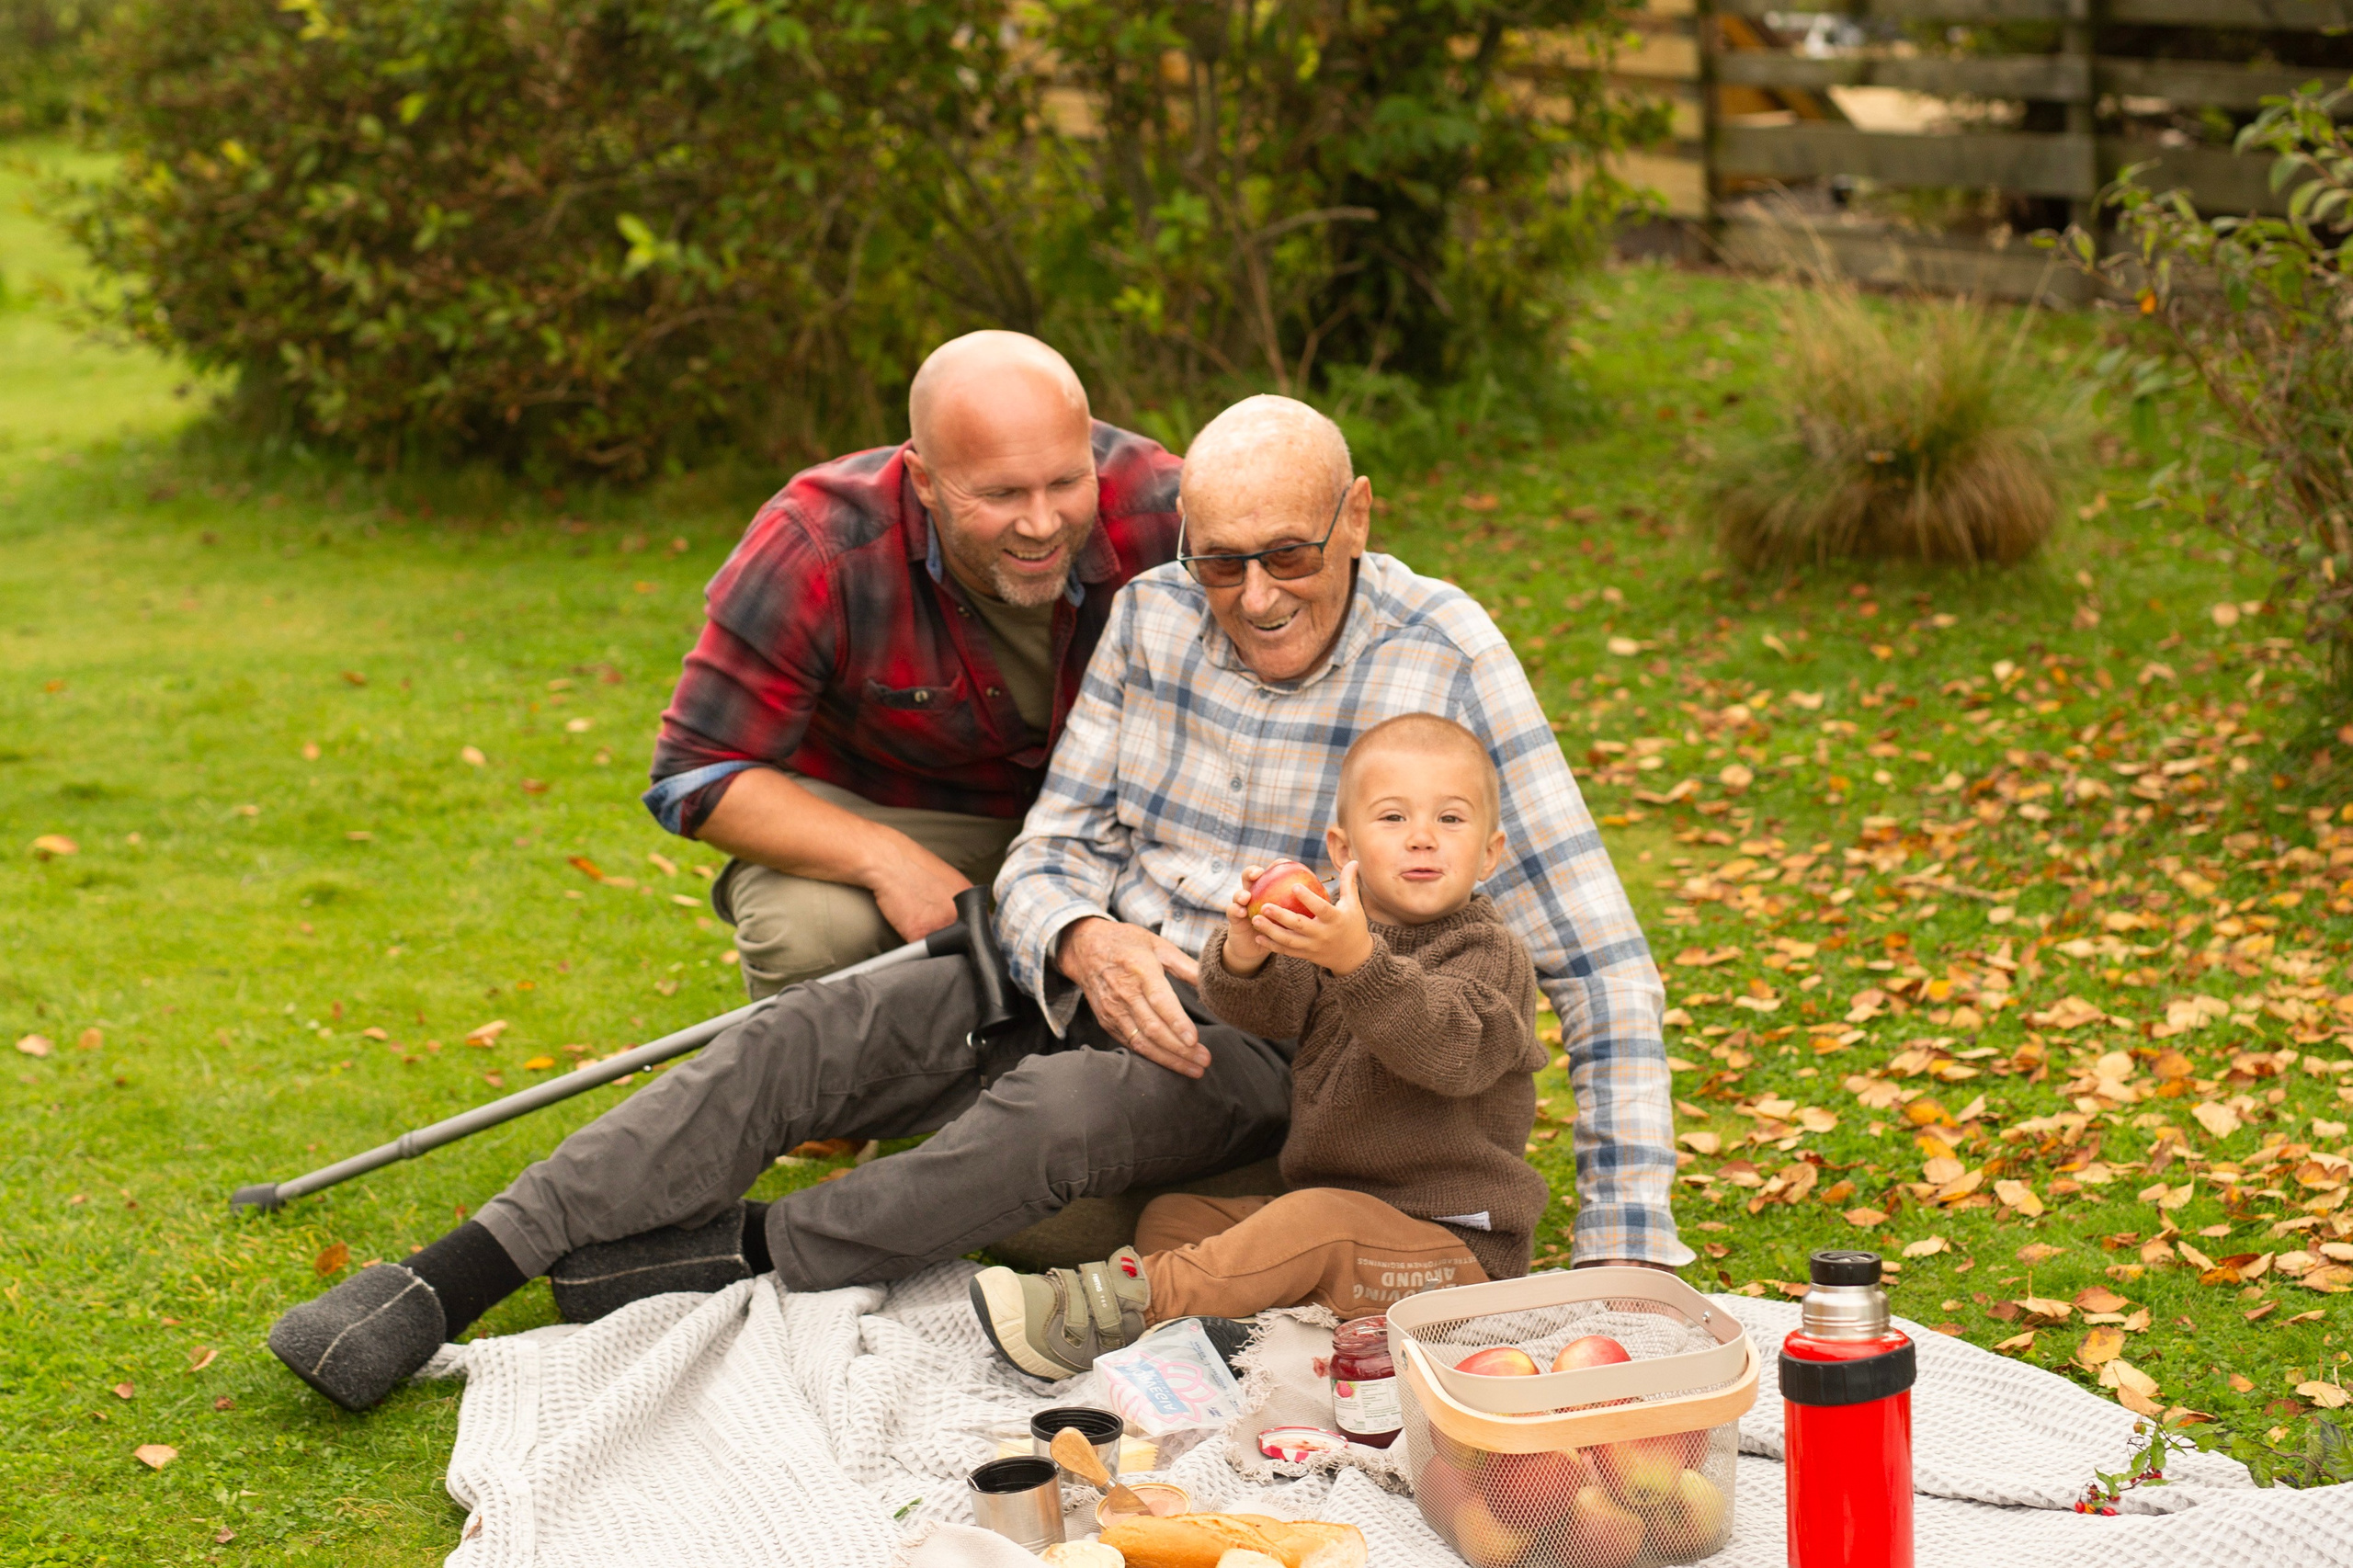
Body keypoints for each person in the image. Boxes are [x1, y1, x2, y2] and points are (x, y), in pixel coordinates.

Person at [265, 393, 1688, 1415]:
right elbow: (1056, 842)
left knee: (1057, 1117)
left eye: (1292, 556)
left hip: (1262, 1030)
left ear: (1357, 518)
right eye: (1220, 558)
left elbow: (1597, 958)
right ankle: (443, 1278)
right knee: (800, 1036)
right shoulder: (1148, 615)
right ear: (1183, 537)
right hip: (1081, 959)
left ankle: (743, 1248)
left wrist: (1629, 1254)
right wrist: (1080, 932)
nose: (1252, 598)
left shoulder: (1445, 650)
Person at [971, 713, 1547, 1377]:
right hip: (1339, 1218)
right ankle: (1235, 1346)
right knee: (1179, 1217)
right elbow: (1261, 1011)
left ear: (1489, 852)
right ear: (1343, 848)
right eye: (1393, 819)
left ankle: (1107, 1306)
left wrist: (1359, 961)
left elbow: (1452, 1048)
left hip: (1453, 1249)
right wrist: (1245, 953)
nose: (1422, 838)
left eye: (1451, 820)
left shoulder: (1487, 950)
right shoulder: (1329, 930)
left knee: (1313, 1224)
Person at [648, 330, 1182, 995]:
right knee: (809, 927)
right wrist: (889, 862)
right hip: (907, 811)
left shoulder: (1173, 509)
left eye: (1068, 482)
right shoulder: (817, 544)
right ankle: (833, 1093)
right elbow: (697, 773)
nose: (1043, 523)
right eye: (1003, 495)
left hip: (1113, 815)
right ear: (924, 480)